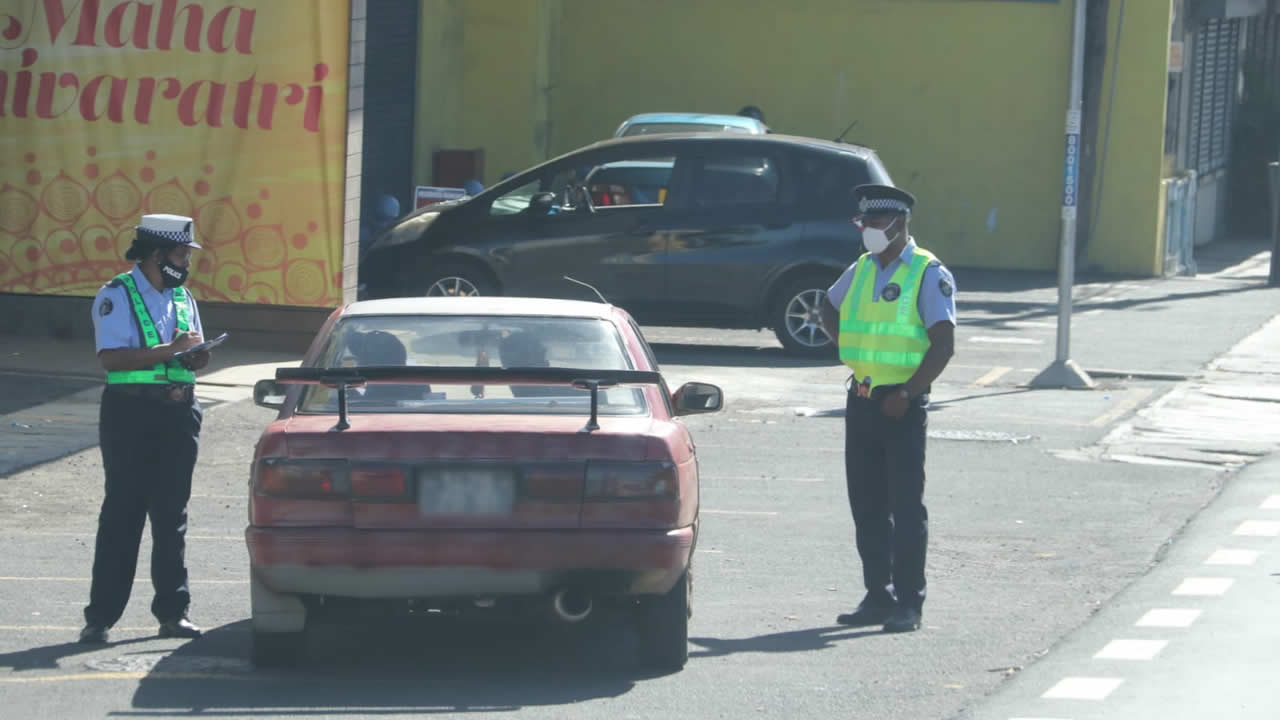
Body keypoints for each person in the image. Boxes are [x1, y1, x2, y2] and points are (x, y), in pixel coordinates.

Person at [820, 185, 957, 634]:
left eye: (876, 224)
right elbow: (828, 305)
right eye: (864, 224)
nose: (869, 231)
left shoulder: (927, 272)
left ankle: (909, 601)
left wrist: (910, 393)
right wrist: (846, 347)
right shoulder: (862, 267)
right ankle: (878, 595)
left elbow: (943, 344)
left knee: (905, 507)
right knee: (867, 505)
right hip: (861, 399)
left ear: (900, 224)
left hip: (901, 406)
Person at [80, 214, 211, 644]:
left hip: (179, 415)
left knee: (172, 516)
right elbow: (111, 357)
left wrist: (197, 356)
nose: (186, 263)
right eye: (181, 254)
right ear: (157, 254)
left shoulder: (183, 297)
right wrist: (171, 350)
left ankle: (174, 613)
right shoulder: (116, 294)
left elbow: (191, 350)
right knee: (123, 513)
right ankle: (100, 618)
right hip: (131, 415)